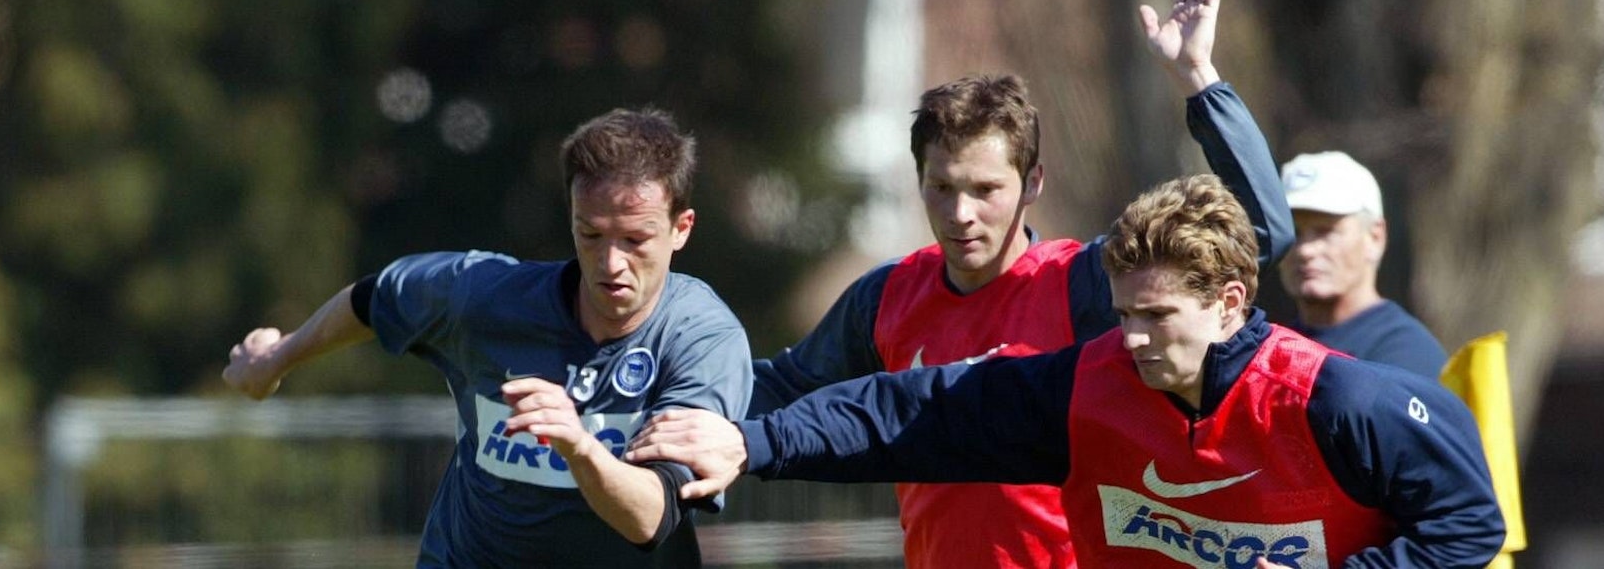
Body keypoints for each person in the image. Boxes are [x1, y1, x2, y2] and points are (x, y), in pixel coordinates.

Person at [626, 173, 1506, 569]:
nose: (1132, 339)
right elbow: (914, 411)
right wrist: (753, 440)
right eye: (1124, 313)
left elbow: (1468, 523)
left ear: (1232, 303)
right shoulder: (1086, 386)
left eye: (1158, 316)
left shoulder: (1340, 399)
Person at [737, 0, 1289, 567]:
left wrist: (1198, 79)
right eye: (941, 188)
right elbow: (777, 390)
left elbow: (1258, 233)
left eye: (985, 190)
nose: (961, 214)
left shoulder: (1082, 284)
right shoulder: (885, 297)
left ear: (1033, 184)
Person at [222, 108, 751, 568]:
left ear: (681, 228)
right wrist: (276, 359)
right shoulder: (485, 297)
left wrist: (579, 447)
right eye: (590, 235)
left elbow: (652, 517)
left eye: (636, 239)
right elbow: (376, 297)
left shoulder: (702, 340)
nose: (611, 262)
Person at [1277, 150, 1448, 377]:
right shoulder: (1274, 349)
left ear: (1375, 237)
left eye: (1325, 231)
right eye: (1293, 232)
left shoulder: (1407, 356)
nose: (1306, 250)